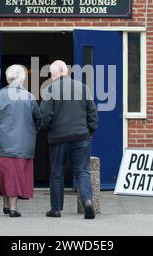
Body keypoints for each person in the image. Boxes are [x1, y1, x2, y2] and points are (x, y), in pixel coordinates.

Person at [41, 60, 98, 219]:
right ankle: (87, 202)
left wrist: (46, 128)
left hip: (58, 138)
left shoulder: (50, 89)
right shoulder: (83, 88)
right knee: (82, 171)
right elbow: (92, 114)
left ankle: (56, 209)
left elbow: (45, 117)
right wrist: (89, 131)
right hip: (81, 136)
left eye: (51, 74)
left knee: (56, 172)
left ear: (55, 73)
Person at [0, 64, 42, 218]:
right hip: (24, 144)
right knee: (16, 175)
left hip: (2, 143)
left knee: (4, 174)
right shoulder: (30, 97)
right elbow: (39, 120)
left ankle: (6, 204)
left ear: (7, 78)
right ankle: (13, 208)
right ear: (22, 79)